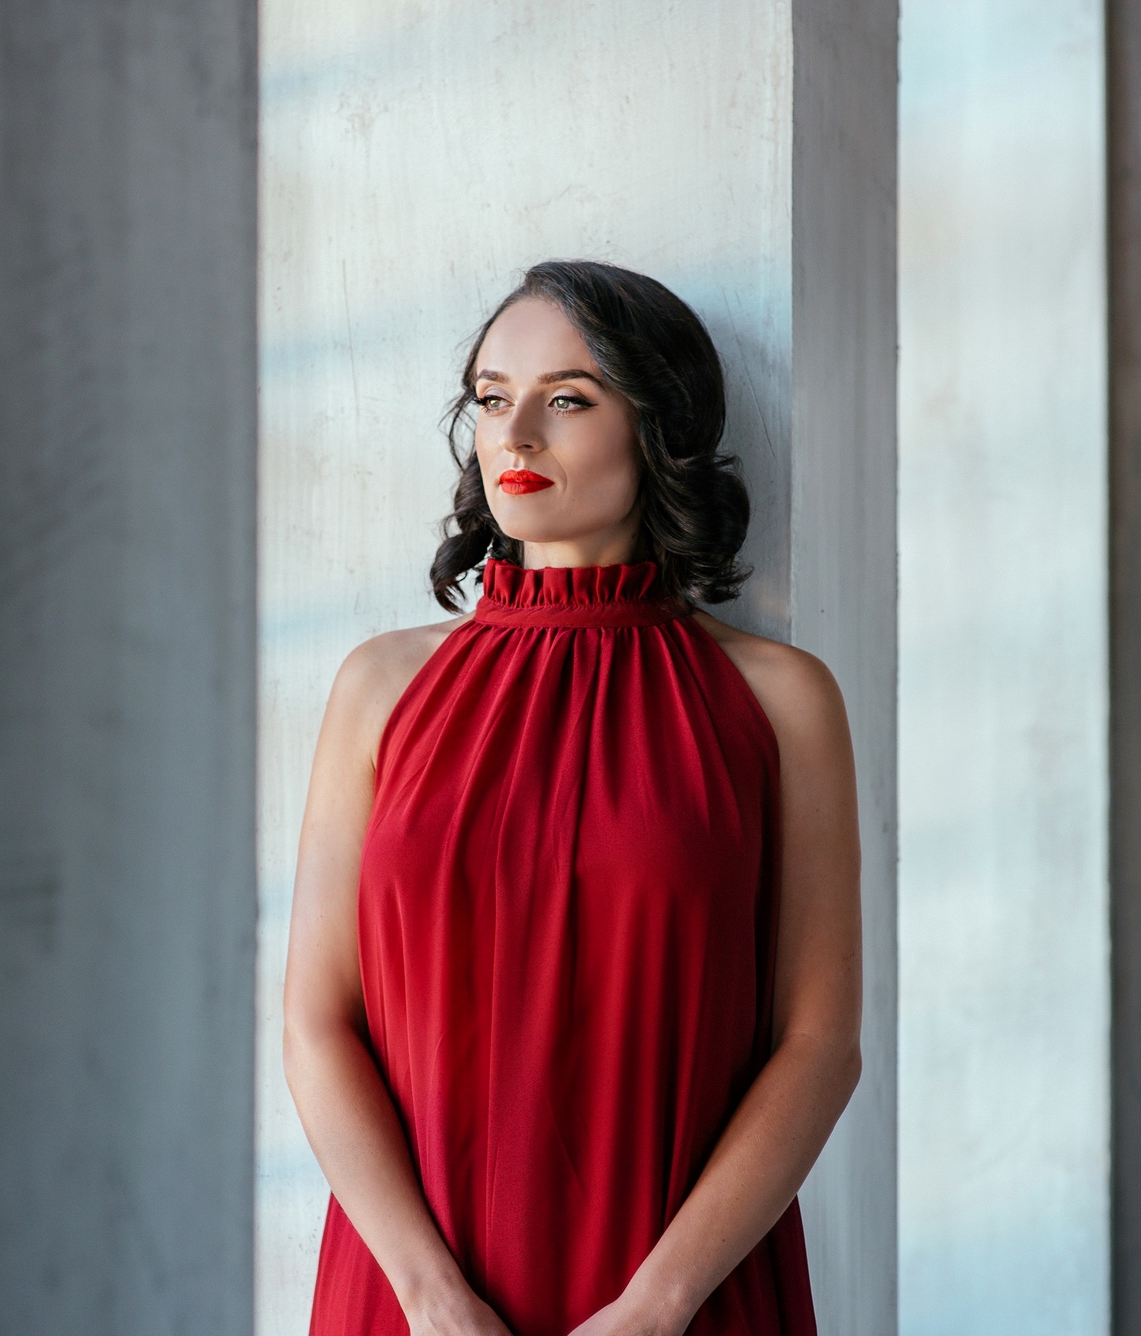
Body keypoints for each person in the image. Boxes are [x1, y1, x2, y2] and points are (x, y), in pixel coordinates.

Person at [283, 260, 863, 1336]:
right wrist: (426, 1295)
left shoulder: (780, 702)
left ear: (657, 425)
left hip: (681, 1298)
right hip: (411, 1296)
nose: (516, 435)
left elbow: (819, 1043)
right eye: (493, 399)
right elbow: (317, 1022)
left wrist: (658, 1305)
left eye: (567, 398)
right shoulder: (379, 687)